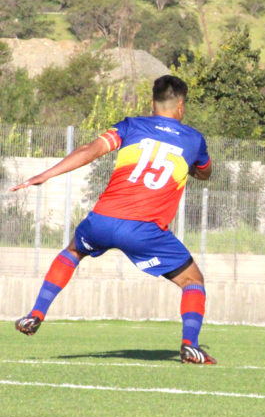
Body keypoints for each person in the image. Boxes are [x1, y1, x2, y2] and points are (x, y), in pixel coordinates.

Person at [10, 75, 216, 365]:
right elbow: (205, 172)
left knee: (72, 251)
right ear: (181, 105)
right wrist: (190, 165)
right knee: (193, 280)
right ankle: (190, 345)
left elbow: (88, 151)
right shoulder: (194, 139)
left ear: (151, 103)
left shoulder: (130, 125)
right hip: (144, 229)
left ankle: (35, 314)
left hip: (103, 220)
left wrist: (45, 174)